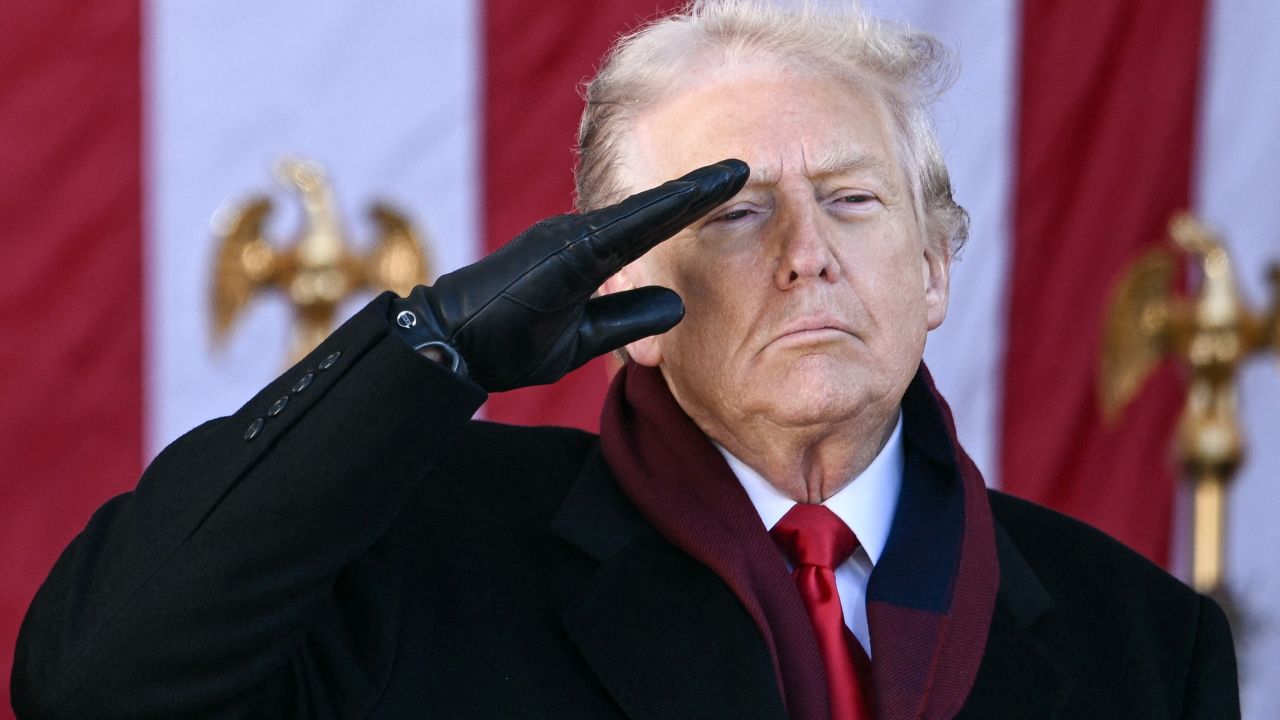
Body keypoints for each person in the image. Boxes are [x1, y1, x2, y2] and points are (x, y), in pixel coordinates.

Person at [12, 1, 1238, 718]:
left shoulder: (1138, 640)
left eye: (854, 200)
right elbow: (94, 685)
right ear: (620, 290)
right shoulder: (416, 558)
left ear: (933, 269)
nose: (807, 253)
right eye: (732, 211)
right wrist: (423, 352)